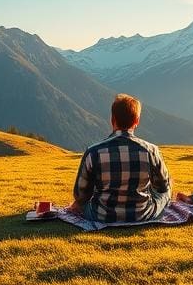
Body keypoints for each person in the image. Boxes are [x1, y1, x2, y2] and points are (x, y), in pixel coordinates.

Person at [69, 94, 172, 223]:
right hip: (142, 215)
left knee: (82, 204)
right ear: (137, 121)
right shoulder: (151, 151)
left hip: (101, 215)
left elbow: (81, 194)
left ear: (112, 119)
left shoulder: (93, 152)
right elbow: (162, 187)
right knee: (166, 191)